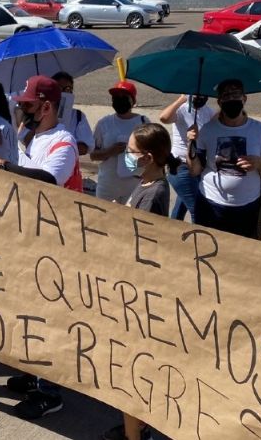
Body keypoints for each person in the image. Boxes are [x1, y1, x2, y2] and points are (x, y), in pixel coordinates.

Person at [0, 76, 80, 419]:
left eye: (28, 104)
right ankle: (36, 374)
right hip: (31, 239)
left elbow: (47, 181)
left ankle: (51, 392)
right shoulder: (28, 136)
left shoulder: (64, 142)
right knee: (28, 313)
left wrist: (1, 164)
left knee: (49, 318)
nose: (21, 108)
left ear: (47, 106)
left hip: (58, 243)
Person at [102, 123, 179, 440]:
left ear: (147, 157)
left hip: (140, 291)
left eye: (131, 152)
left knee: (131, 369)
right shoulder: (146, 184)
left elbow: (144, 244)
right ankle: (136, 428)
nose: (127, 157)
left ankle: (136, 434)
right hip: (133, 287)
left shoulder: (155, 192)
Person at [188, 79, 261, 238]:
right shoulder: (208, 129)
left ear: (244, 98)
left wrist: (259, 163)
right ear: (219, 102)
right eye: (226, 95)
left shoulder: (258, 129)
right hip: (211, 205)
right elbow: (195, 170)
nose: (231, 99)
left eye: (235, 94)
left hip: (248, 209)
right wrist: (191, 144)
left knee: (242, 256)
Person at [159, 94, 216, 222]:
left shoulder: (209, 112)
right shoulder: (182, 109)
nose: (199, 97)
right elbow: (164, 117)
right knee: (198, 210)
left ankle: (172, 233)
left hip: (198, 166)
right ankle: (200, 238)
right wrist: (182, 98)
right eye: (196, 95)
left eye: (203, 94)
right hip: (180, 166)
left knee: (180, 207)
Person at [90, 81, 148, 203]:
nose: (119, 100)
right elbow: (93, 155)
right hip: (107, 185)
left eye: (124, 97)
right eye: (116, 97)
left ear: (133, 101)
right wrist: (110, 151)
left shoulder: (143, 122)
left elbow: (152, 152)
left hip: (133, 184)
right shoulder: (104, 123)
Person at [52, 71, 94, 156]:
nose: (63, 92)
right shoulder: (41, 113)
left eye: (67, 89)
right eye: (59, 88)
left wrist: (61, 147)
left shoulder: (78, 116)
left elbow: (85, 147)